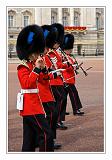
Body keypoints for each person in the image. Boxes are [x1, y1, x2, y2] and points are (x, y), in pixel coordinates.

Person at [16, 24, 54, 152]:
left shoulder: (33, 65)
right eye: (37, 53)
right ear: (30, 53)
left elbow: (44, 80)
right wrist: (37, 69)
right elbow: (27, 84)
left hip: (35, 105)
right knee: (46, 134)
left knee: (29, 139)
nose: (39, 55)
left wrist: (43, 70)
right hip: (31, 107)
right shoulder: (23, 67)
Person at [42, 23, 69, 130]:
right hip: (52, 82)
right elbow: (50, 69)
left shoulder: (51, 53)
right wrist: (59, 68)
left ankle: (58, 121)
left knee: (59, 102)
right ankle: (57, 121)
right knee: (57, 103)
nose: (57, 45)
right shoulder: (49, 54)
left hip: (57, 80)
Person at [61, 33, 84, 116]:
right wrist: (73, 67)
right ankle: (76, 109)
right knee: (74, 94)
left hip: (70, 78)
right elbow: (63, 67)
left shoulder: (69, 57)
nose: (71, 50)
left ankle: (61, 111)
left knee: (63, 97)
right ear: (65, 48)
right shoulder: (62, 57)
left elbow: (72, 65)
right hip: (66, 79)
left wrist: (77, 66)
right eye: (69, 49)